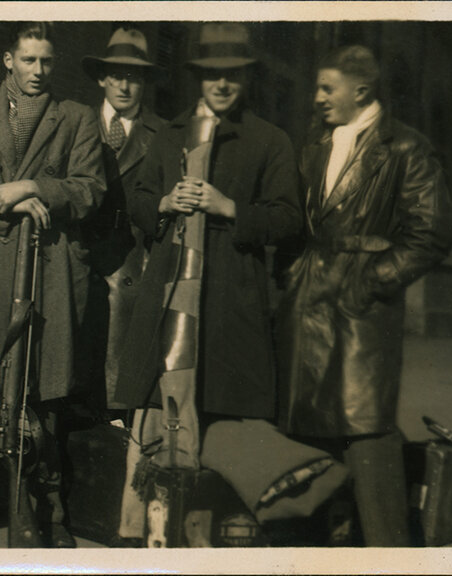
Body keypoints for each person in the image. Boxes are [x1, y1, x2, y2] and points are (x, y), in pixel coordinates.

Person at [112, 23, 302, 545]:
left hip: (231, 300)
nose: (222, 84)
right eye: (212, 75)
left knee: (223, 410)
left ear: (246, 79)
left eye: (233, 76)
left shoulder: (269, 140)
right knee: (158, 409)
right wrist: (164, 203)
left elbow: (290, 219)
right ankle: (147, 527)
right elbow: (139, 198)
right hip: (169, 295)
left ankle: (218, 533)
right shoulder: (171, 134)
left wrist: (229, 207)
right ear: (198, 78)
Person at [0, 22, 105, 546]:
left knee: (42, 390)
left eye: (46, 62)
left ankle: (45, 510)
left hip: (48, 266)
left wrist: (31, 186)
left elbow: (90, 189)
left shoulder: (76, 118)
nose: (37, 72)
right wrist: (4, 201)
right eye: (28, 61)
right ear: (8, 60)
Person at [278, 45, 452, 546]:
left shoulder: (405, 147)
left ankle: (389, 552)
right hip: (308, 299)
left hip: (360, 312)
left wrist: (373, 281)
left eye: (326, 88)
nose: (316, 98)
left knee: (366, 431)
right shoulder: (318, 143)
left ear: (362, 91)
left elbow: (433, 232)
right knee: (309, 436)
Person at [79, 27, 165, 414]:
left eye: (134, 77)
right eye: (116, 76)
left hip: (132, 267)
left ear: (145, 83)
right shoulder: (75, 124)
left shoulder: (162, 135)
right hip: (78, 265)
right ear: (102, 78)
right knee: (72, 385)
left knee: (119, 392)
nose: (124, 87)